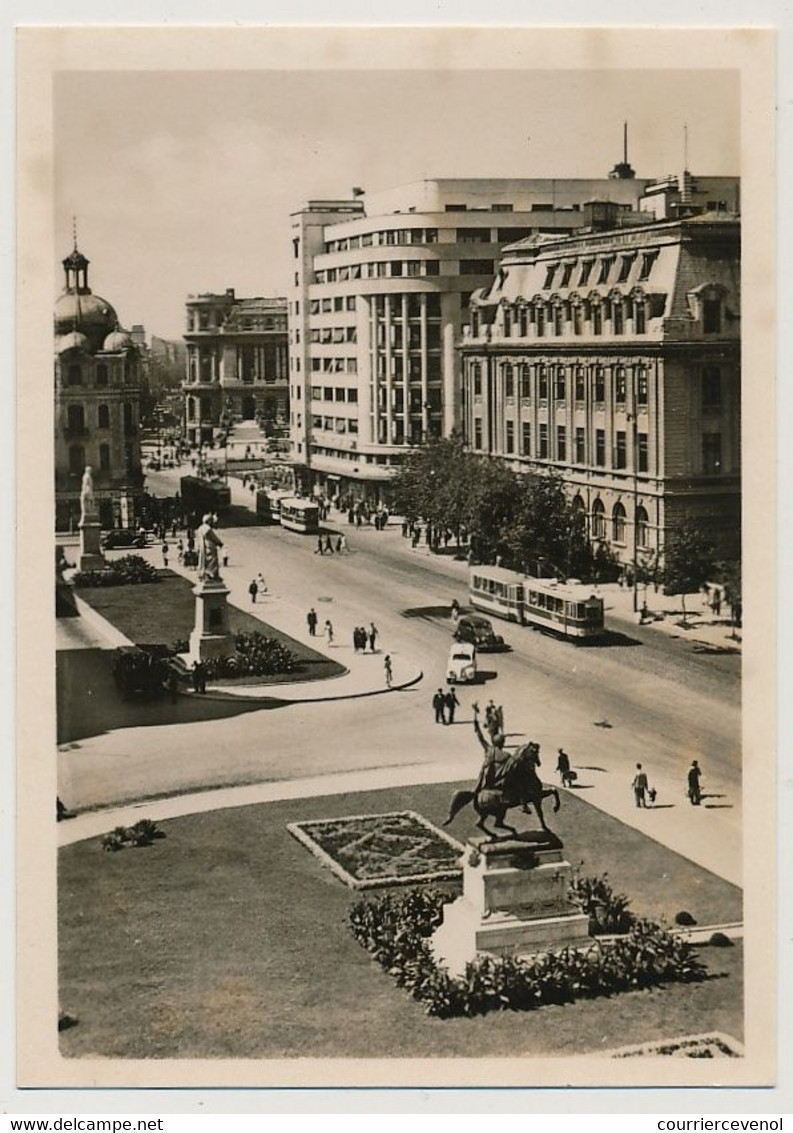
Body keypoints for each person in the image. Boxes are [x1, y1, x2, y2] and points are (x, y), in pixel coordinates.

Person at [472, 702, 510, 792]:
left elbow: (480, 737)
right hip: (500, 783)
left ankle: (475, 791)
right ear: (503, 744)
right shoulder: (507, 755)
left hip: (487, 781)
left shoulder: (489, 749)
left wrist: (475, 717)